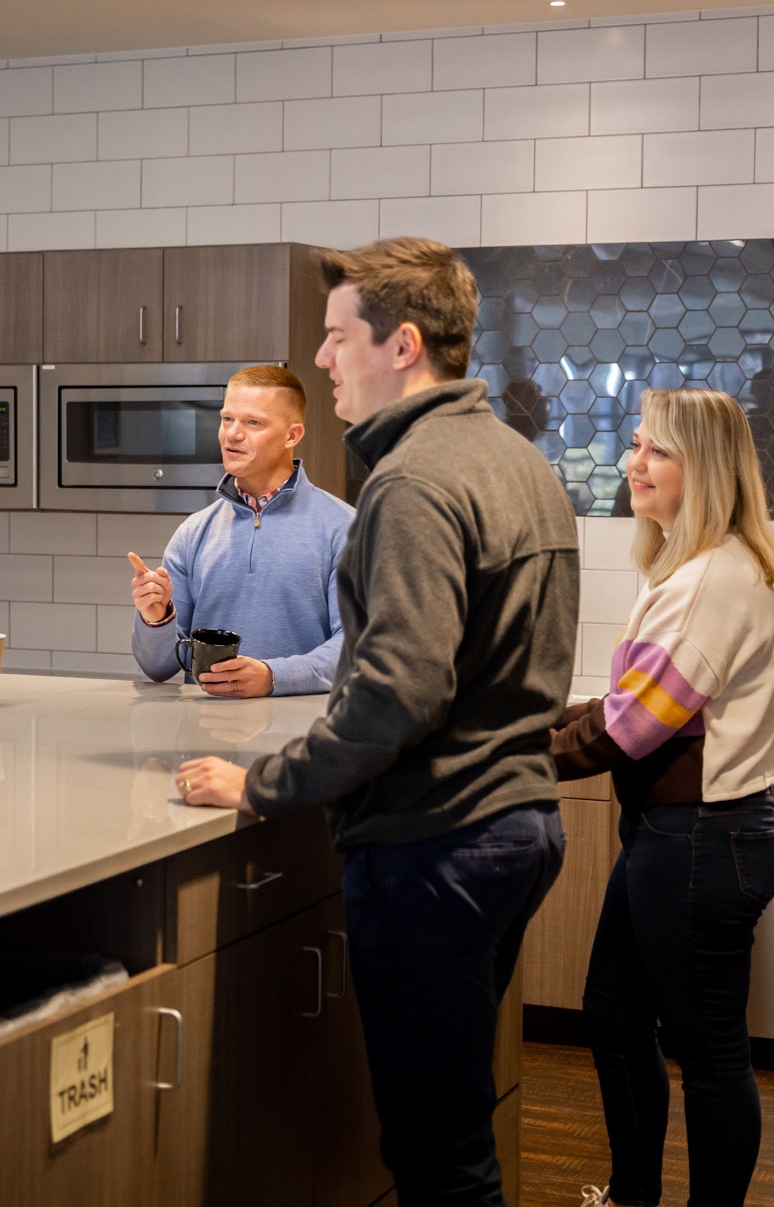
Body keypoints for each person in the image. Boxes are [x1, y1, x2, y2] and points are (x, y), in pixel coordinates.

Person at [175, 237, 578, 1206]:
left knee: (438, 1157)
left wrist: (264, 781)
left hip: (437, 845)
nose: (322, 359)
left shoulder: (412, 482)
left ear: (401, 344)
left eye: (336, 336)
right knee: (458, 1123)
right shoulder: (520, 462)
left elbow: (395, 691)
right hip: (516, 829)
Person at [555, 390, 774, 1207]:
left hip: (700, 842)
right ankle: (631, 1196)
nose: (632, 464)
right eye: (635, 446)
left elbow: (631, 730)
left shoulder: (711, 581)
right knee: (614, 1016)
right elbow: (631, 706)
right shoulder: (692, 569)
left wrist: (504, 748)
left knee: (709, 1049)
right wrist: (529, 721)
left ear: (706, 469)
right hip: (676, 837)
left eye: (656, 451)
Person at [128, 365, 353, 697]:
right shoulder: (194, 532)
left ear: (292, 436)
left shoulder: (344, 527)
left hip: (303, 739)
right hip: (206, 737)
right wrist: (156, 617)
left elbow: (357, 647)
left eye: (253, 423)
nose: (232, 434)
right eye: (227, 419)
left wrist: (273, 677)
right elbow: (157, 668)